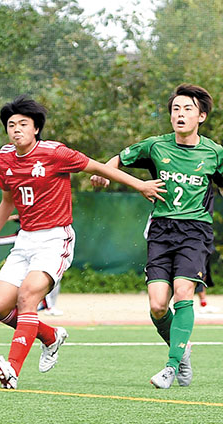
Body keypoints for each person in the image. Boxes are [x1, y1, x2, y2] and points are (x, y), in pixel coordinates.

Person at [0, 94, 165, 390]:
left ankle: (12, 369)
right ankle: (50, 336)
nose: (16, 129)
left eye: (23, 124)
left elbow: (98, 167)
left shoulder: (55, 153)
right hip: (25, 241)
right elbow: (7, 199)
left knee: (27, 297)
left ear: (36, 128)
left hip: (54, 238)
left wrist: (139, 184)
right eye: (11, 125)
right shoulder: (5, 156)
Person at [91, 84, 223, 389]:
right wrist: (104, 171)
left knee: (183, 291)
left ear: (201, 116)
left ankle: (171, 366)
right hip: (162, 231)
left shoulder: (214, 153)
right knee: (158, 306)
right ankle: (182, 349)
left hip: (196, 231)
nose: (180, 114)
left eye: (187, 109)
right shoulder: (156, 146)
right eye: (176, 109)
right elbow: (120, 157)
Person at [0, 214, 63, 316]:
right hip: (29, 259)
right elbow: (11, 237)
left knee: (50, 280)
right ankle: (48, 307)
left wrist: (14, 217)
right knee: (38, 281)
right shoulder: (23, 232)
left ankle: (45, 306)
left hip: (44, 252)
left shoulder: (46, 226)